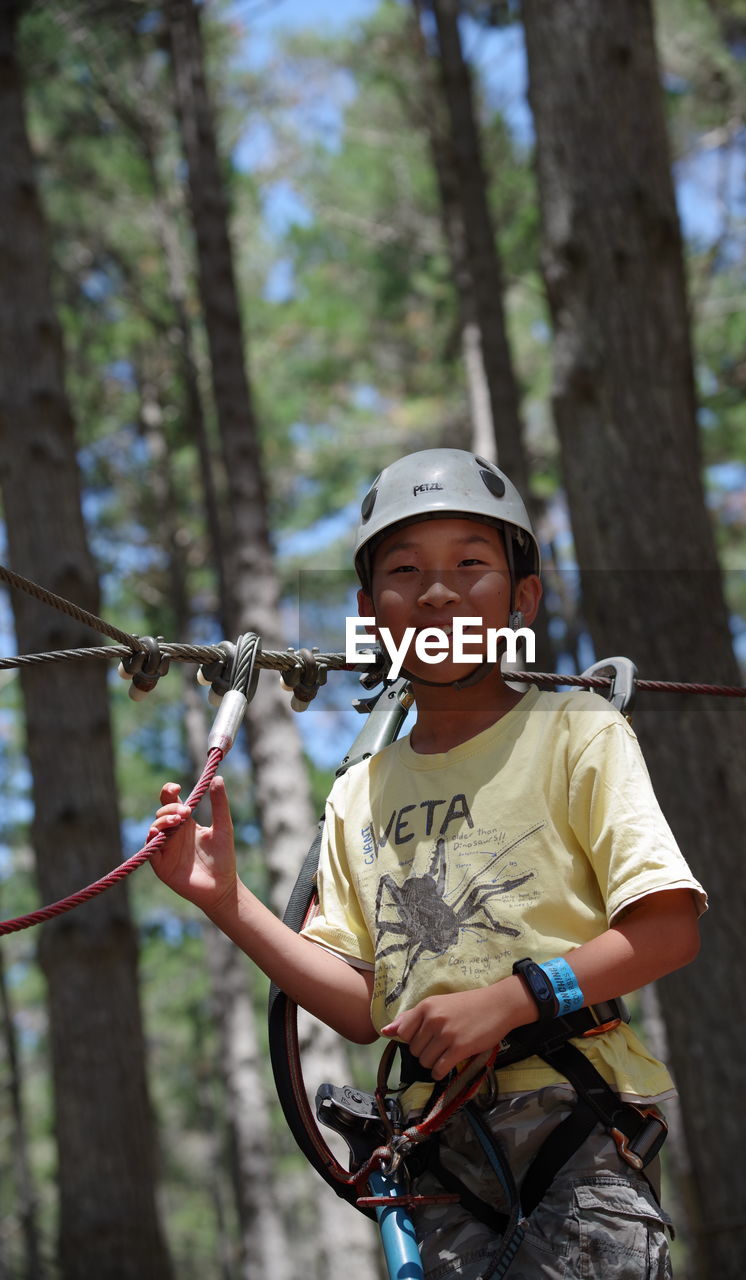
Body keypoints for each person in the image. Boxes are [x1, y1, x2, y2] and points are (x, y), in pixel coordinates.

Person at [151, 449, 706, 1280]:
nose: (438, 591)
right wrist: (229, 903)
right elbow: (367, 1007)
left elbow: (667, 929)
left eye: (470, 565)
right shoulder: (359, 791)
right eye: (405, 571)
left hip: (580, 1129)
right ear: (372, 612)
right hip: (438, 1158)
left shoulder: (577, 732)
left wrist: (510, 1001)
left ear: (523, 598)